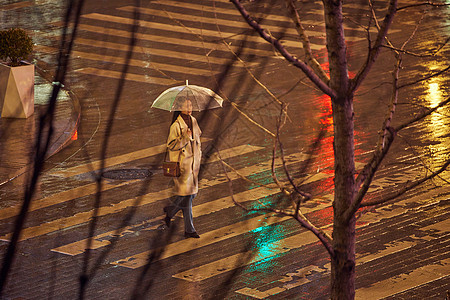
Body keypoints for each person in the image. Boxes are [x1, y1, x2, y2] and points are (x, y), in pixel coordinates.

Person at [163, 99, 202, 238]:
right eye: (186, 105)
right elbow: (171, 145)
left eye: (191, 105)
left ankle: (171, 211)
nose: (189, 108)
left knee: (190, 196)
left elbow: (198, 140)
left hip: (193, 165)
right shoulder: (175, 125)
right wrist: (185, 137)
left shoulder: (194, 120)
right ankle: (189, 230)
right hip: (183, 166)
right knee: (188, 197)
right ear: (179, 108)